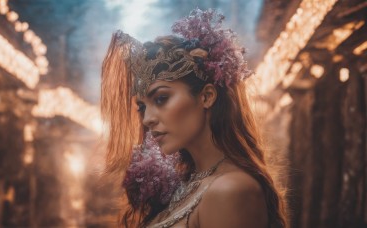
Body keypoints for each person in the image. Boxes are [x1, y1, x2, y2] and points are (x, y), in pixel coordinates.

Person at [100, 8, 287, 228]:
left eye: (161, 99)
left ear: (207, 96)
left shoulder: (231, 190)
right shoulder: (188, 184)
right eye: (142, 106)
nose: (147, 119)